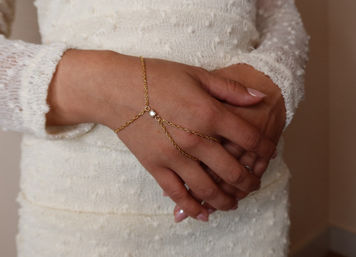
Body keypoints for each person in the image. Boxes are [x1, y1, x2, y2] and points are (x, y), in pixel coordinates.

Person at [0, 0, 309, 256]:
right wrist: (115, 90)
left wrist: (277, 78)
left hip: (248, 203)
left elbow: (277, 9)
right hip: (87, 220)